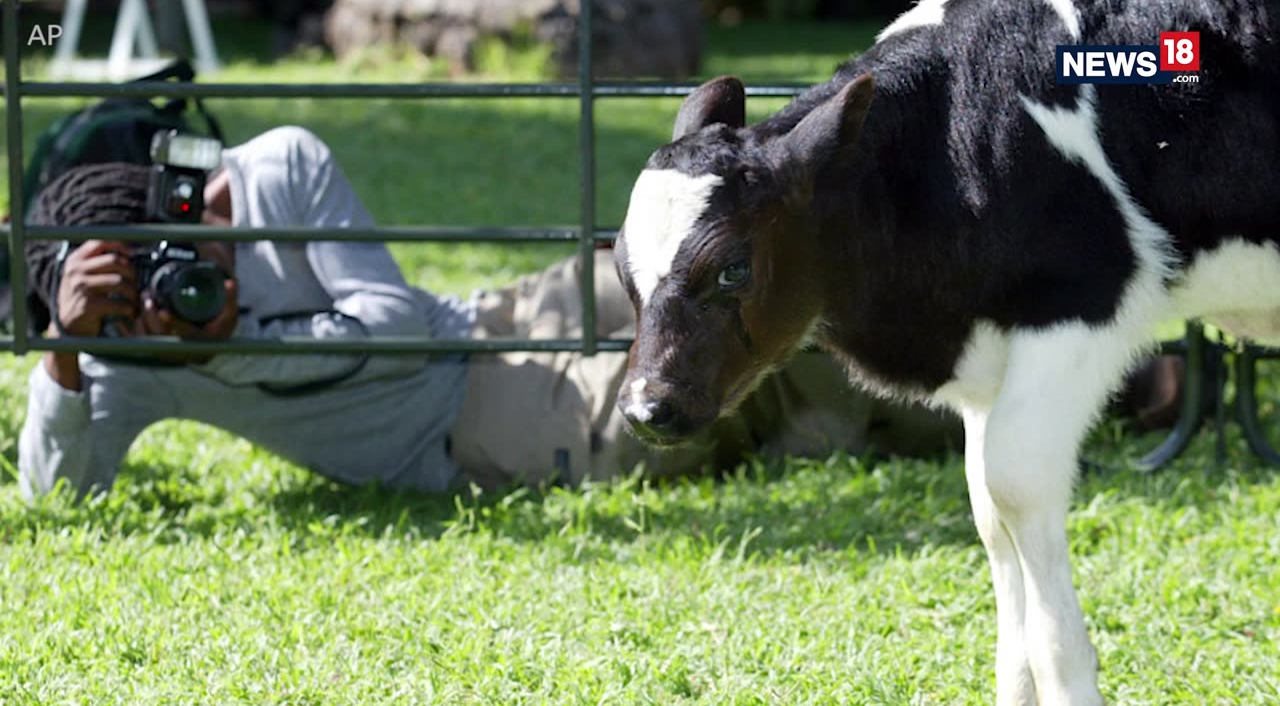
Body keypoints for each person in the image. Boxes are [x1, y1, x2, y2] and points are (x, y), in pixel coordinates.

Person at [17, 126, 960, 502]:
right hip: (460, 431)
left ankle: (961, 291)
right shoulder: (121, 346)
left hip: (477, 321)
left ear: (175, 199)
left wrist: (232, 337)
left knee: (707, 266)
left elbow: (392, 329)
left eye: (172, 250)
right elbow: (54, 494)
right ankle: (967, 401)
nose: (172, 290)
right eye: (131, 293)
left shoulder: (273, 170)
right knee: (714, 377)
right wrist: (65, 355)